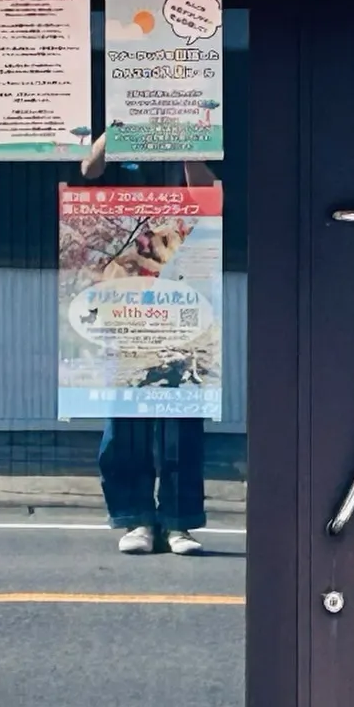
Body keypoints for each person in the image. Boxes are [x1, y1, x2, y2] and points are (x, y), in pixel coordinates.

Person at [81, 132, 214, 556]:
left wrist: (189, 138)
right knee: (126, 417)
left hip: (181, 295)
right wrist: (118, 124)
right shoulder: (123, 141)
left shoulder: (192, 135)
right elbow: (89, 172)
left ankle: (178, 521)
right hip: (125, 298)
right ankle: (135, 517)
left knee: (181, 418)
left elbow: (208, 195)